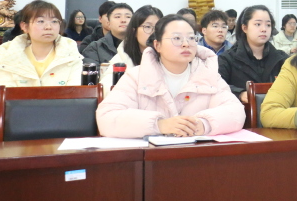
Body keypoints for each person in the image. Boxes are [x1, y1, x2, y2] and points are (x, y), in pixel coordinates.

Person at [96, 14, 245, 138]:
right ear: (157, 45)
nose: (186, 44)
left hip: (195, 154)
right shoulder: (136, 77)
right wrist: (159, 125)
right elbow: (107, 117)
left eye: (191, 38)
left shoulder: (208, 75)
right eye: (177, 38)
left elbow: (236, 112)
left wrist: (203, 124)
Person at [0, 0, 83, 106]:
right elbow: (1, 99)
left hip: (62, 113)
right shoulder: (10, 55)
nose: (48, 27)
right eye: (40, 21)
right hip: (19, 115)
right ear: (24, 26)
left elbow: (75, 98)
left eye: (54, 21)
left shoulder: (71, 55)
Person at [218, 5, 289, 102]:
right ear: (245, 28)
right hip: (241, 109)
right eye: (258, 24)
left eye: (268, 25)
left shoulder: (282, 59)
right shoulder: (227, 59)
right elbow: (218, 87)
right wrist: (239, 94)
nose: (264, 29)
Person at [100, 5, 163, 95]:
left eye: (157, 28)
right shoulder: (123, 57)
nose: (153, 32)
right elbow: (106, 87)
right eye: (148, 27)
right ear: (134, 31)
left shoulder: (169, 57)